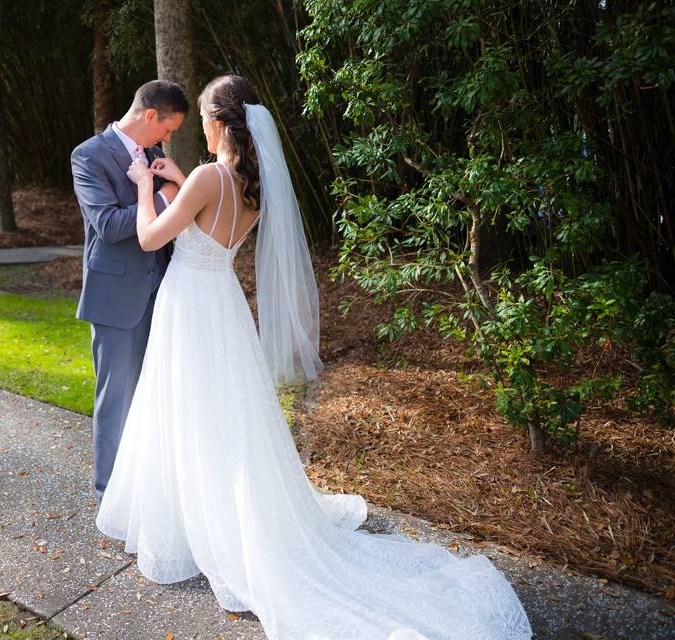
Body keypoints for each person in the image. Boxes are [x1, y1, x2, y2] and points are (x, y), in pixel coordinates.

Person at [95, 74, 533, 640]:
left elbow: (153, 237)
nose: (200, 129)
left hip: (188, 306)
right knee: (225, 415)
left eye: (203, 119)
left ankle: (191, 523)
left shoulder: (206, 177)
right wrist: (179, 181)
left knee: (189, 408)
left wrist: (140, 186)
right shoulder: (249, 187)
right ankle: (211, 510)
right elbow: (211, 225)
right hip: (222, 306)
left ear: (219, 123)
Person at [70, 80, 188, 501]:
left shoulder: (156, 157)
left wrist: (174, 191)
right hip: (118, 296)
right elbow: (111, 225)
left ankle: (146, 487)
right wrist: (169, 195)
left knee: (156, 393)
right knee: (116, 396)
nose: (168, 139)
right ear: (150, 115)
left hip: (166, 291)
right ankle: (111, 494)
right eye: (168, 128)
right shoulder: (88, 156)